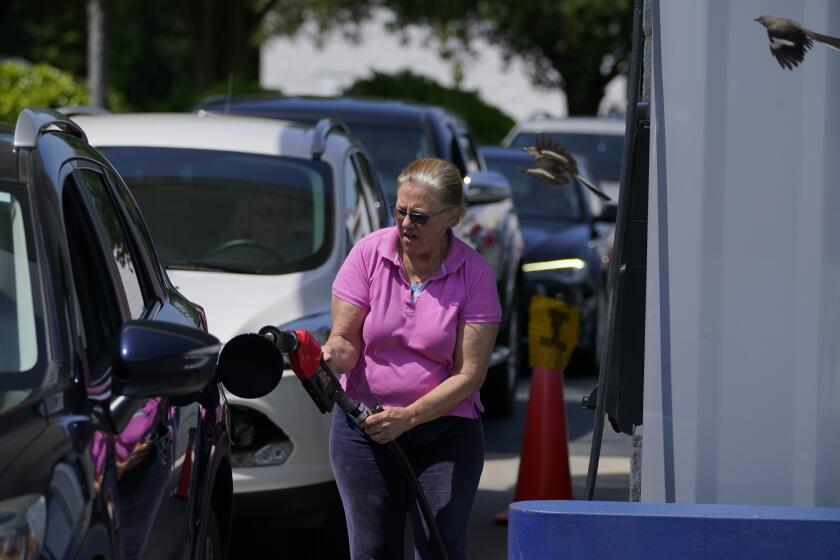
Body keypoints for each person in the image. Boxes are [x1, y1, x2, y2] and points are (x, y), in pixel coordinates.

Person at [322, 157, 501, 559]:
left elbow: (469, 374)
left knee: (439, 547)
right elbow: (346, 344)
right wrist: (327, 357)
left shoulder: (475, 275)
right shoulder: (368, 254)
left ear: (453, 217)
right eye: (399, 211)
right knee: (371, 550)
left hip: (445, 434)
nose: (405, 225)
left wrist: (409, 417)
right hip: (364, 430)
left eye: (419, 216)